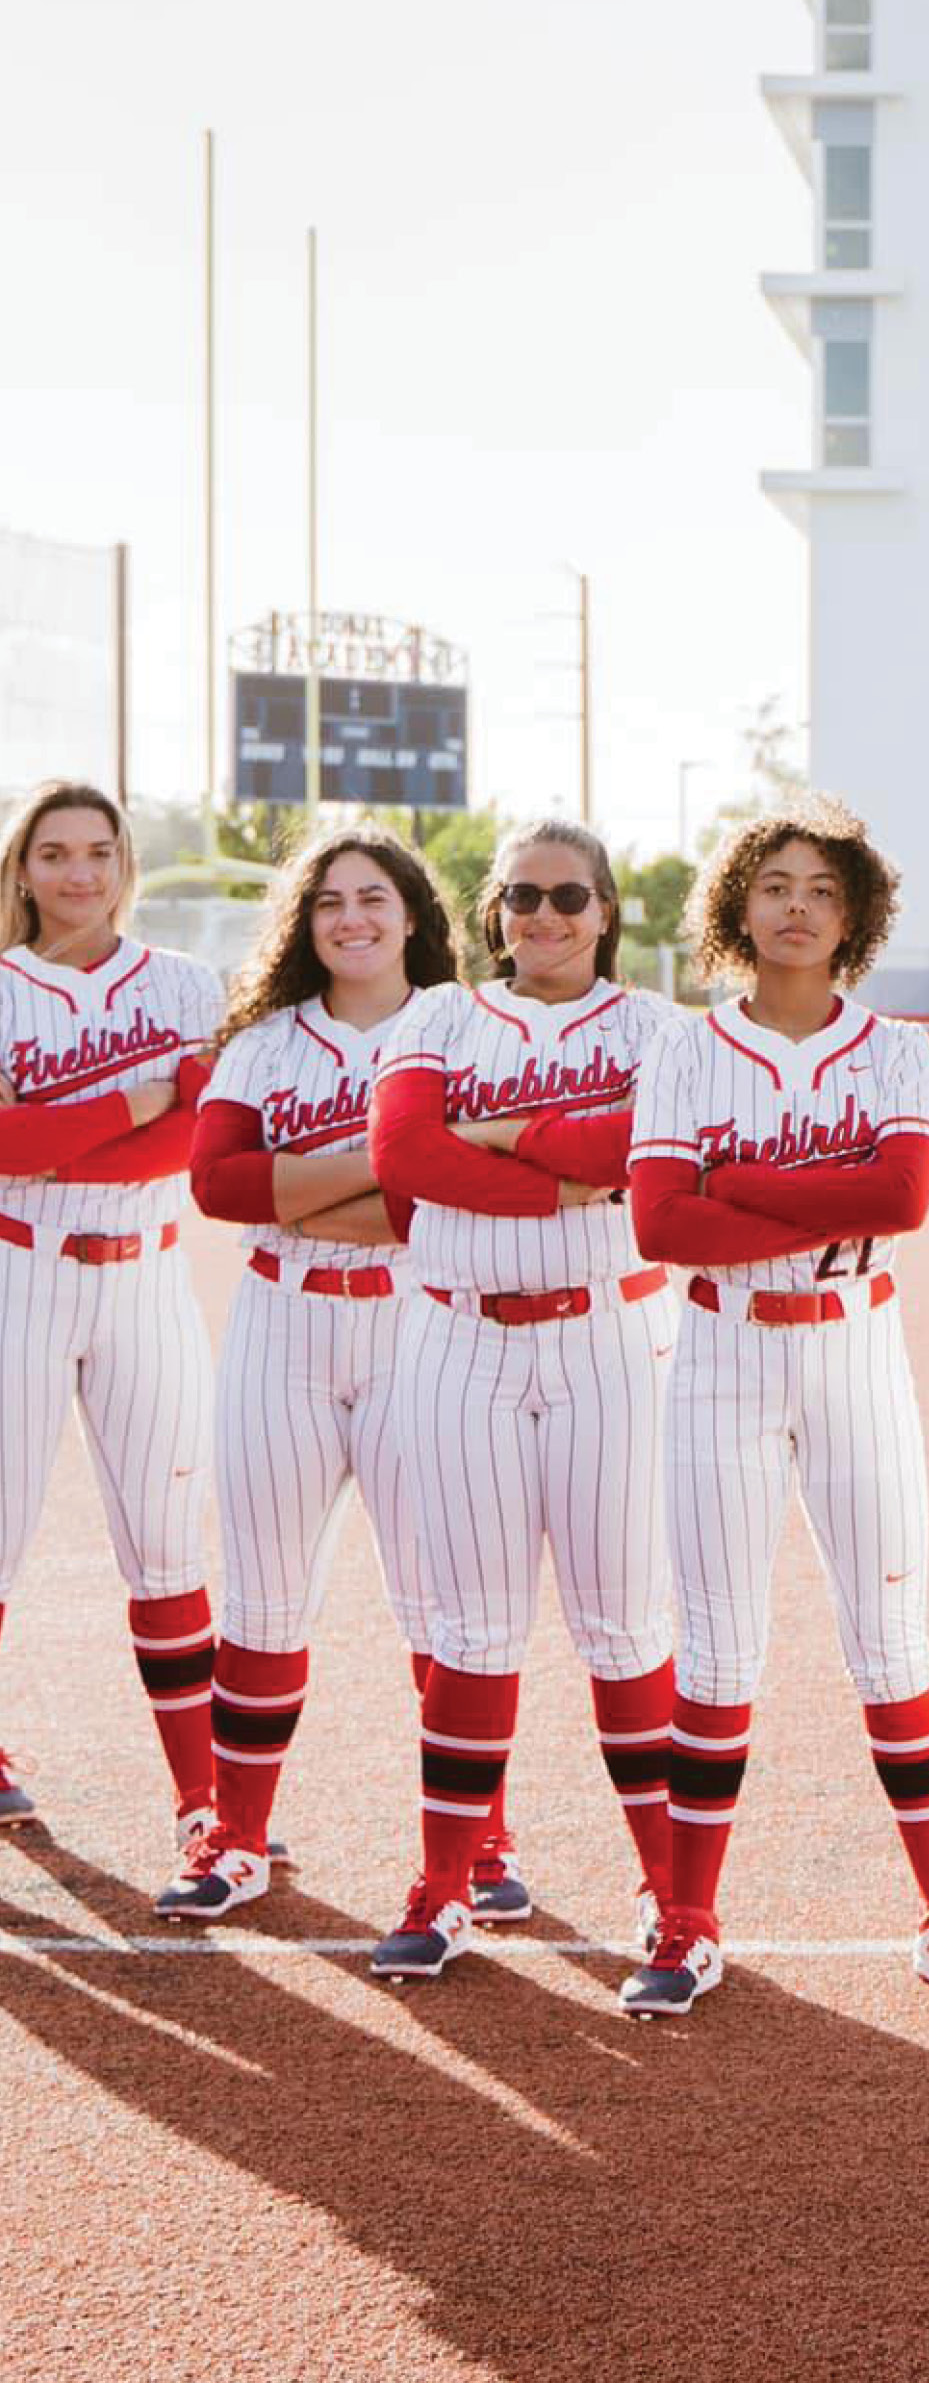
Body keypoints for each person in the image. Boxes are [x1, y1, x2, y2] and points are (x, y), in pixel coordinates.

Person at [620, 801, 929, 2017]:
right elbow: (663, 1225)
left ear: (853, 917)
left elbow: (900, 1200)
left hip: (852, 1351)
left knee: (890, 1642)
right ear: (739, 905)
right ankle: (684, 1919)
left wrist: (744, 1179)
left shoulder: (891, 1047)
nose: (793, 906)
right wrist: (813, 1193)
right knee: (718, 1645)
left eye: (819, 891)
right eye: (773, 885)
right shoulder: (685, 1046)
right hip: (721, 1351)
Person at [363, 820, 684, 1984]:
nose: (544, 916)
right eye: (522, 896)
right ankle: (445, 1885)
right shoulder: (439, 1016)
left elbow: (653, 1154)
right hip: (460, 1339)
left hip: (609, 1337)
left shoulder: (657, 1027)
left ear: (606, 911)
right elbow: (405, 1157)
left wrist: (499, 1137)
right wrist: (568, 1168)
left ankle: (671, 1895)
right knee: (471, 1629)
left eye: (568, 895)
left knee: (624, 1628)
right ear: (493, 911)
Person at [164, 830, 461, 1918]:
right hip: (282, 1326)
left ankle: (478, 1844)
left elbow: (453, 1195)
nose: (352, 919)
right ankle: (236, 1838)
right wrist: (386, 1169)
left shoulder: (463, 1031)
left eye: (373, 898)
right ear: (305, 923)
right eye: (328, 901)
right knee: (262, 1592)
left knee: (443, 1605)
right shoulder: (265, 1044)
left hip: (418, 1331)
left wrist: (303, 1185)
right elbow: (219, 1187)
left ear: (415, 914)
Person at [0, 779, 222, 1842]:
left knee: (170, 1543)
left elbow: (203, 1141)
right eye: (55, 853)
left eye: (99, 851)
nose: (78, 873)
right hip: (19, 1275)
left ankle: (204, 1795)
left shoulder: (184, 985)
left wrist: (59, 1128)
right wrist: (142, 1097)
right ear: (23, 867)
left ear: (126, 864)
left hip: (147, 1278)